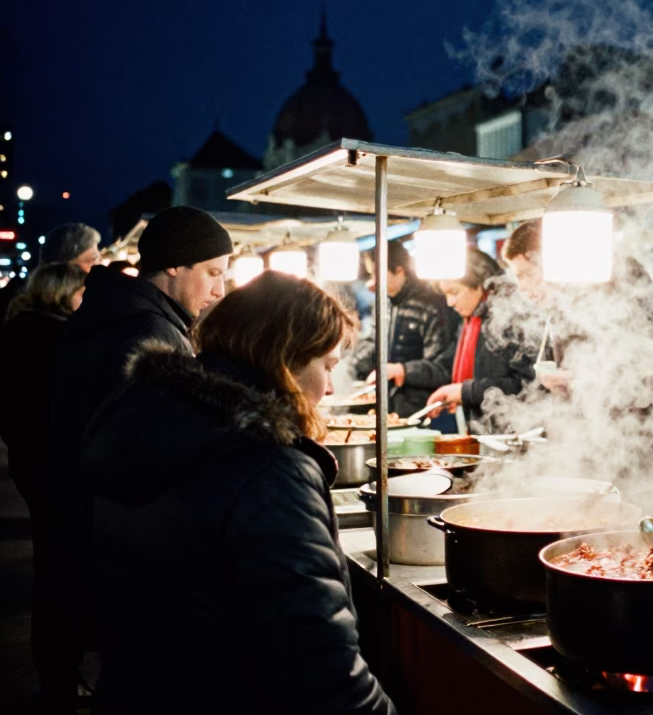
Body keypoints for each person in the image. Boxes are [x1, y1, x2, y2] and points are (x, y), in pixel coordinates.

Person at [80, 271, 395, 715]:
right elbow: (318, 663)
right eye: (327, 366)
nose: (328, 388)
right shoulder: (269, 468)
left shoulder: (151, 418)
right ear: (286, 359)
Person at [44, 205, 233, 713]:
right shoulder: (148, 332)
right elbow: (157, 451)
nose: (220, 289)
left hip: (83, 520)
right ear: (176, 265)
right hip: (118, 536)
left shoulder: (113, 310)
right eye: (214, 273)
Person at [0, 263, 87, 713]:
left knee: (52, 567)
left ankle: (55, 674)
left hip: (30, 462)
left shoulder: (20, 328)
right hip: (53, 467)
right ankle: (58, 680)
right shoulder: (55, 337)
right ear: (64, 293)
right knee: (60, 572)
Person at [427, 249, 536, 432]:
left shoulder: (509, 318)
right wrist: (459, 393)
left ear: (481, 284)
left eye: (454, 292)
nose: (449, 302)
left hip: (514, 434)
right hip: (483, 432)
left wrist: (465, 392)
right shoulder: (470, 321)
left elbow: (526, 384)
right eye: (445, 294)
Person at [351, 238, 459, 417]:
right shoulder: (382, 304)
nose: (373, 281)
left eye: (377, 274)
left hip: (426, 411)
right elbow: (373, 342)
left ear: (399, 270)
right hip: (390, 409)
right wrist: (354, 357)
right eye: (371, 275)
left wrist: (403, 370)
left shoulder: (432, 306)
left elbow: (442, 367)